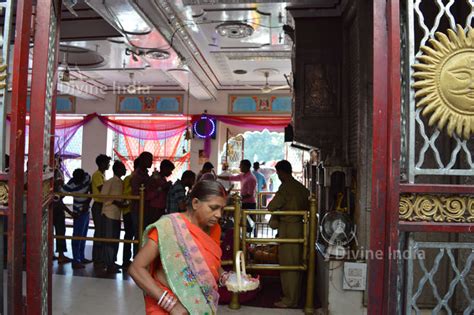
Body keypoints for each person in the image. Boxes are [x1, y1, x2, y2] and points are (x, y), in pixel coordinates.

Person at [129, 180, 228, 314]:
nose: (219, 215)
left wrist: (225, 277)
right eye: (213, 208)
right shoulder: (168, 227)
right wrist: (171, 305)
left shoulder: (214, 229)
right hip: (168, 308)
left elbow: (208, 263)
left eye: (222, 209)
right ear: (195, 203)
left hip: (202, 307)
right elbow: (136, 269)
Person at [267, 160, 310, 308]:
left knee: (288, 266)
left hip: (288, 229)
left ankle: (289, 300)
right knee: (296, 265)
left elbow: (271, 206)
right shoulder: (301, 187)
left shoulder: (285, 187)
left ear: (281, 172)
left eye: (278, 173)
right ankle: (294, 296)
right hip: (300, 228)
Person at [62, 168, 92, 269]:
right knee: (77, 236)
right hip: (77, 214)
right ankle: (76, 260)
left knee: (83, 236)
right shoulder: (70, 185)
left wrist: (87, 204)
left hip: (86, 211)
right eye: (77, 179)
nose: (79, 181)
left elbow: (91, 191)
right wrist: (70, 212)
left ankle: (81, 257)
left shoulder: (87, 177)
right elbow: (58, 198)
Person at [101, 161, 127, 274]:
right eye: (123, 168)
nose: (125, 170)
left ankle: (112, 261)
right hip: (109, 213)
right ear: (117, 170)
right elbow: (103, 196)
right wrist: (116, 202)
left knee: (115, 239)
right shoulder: (110, 182)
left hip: (117, 214)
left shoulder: (121, 182)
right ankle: (108, 263)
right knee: (109, 239)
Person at [91, 154, 111, 266]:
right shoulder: (97, 175)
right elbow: (102, 190)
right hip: (98, 205)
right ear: (102, 163)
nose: (108, 165)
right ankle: (97, 257)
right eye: (107, 163)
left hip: (102, 205)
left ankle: (101, 256)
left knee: (102, 231)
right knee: (99, 231)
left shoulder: (103, 175)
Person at [131, 152, 153, 256]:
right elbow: (137, 194)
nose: (151, 162)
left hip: (146, 209)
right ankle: (137, 257)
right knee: (138, 235)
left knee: (145, 235)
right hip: (138, 209)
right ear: (143, 161)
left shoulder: (146, 174)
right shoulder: (137, 175)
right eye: (149, 160)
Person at [52, 155, 72, 264]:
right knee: (59, 231)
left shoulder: (57, 172)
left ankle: (58, 254)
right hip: (55, 205)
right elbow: (60, 188)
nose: (58, 163)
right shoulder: (54, 172)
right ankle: (59, 255)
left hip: (56, 205)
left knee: (59, 231)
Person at [121, 158, 139, 268]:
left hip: (134, 210)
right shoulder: (129, 179)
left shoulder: (132, 178)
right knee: (129, 235)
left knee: (134, 235)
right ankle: (126, 260)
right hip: (129, 210)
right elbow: (126, 193)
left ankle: (133, 259)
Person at [147, 159, 175, 227]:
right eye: (170, 170)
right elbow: (149, 194)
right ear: (164, 168)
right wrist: (163, 187)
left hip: (161, 208)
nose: (171, 173)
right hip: (154, 208)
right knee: (153, 227)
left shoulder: (163, 179)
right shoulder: (154, 178)